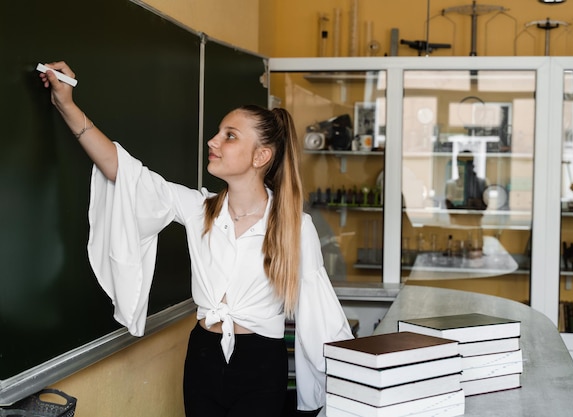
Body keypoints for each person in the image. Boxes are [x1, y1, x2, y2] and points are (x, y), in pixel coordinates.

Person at [39, 61, 354, 417]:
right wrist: (67, 104)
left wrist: (350, 390)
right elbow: (125, 172)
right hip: (202, 356)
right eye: (218, 132)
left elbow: (321, 317)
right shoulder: (198, 208)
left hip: (261, 364)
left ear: (261, 156)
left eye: (230, 136)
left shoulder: (295, 227)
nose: (213, 141)